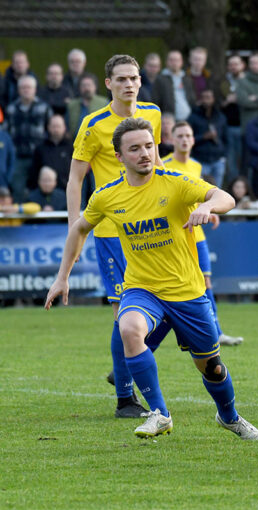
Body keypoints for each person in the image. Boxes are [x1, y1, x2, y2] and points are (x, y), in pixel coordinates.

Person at [46, 117, 258, 440]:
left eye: (149, 146)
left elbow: (225, 197)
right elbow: (79, 228)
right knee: (128, 328)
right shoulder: (108, 196)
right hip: (142, 288)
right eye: (134, 149)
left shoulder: (174, 183)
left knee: (212, 368)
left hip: (186, 291)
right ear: (119, 157)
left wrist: (210, 207)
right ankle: (159, 412)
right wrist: (62, 277)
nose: (145, 153)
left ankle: (230, 417)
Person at [67, 54, 170, 419]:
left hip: (150, 228)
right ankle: (125, 399)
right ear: (108, 84)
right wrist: (73, 227)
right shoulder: (93, 124)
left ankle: (123, 367)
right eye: (122, 79)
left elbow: (155, 165)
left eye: (134, 78)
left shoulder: (152, 115)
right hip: (112, 230)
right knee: (122, 311)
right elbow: (76, 177)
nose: (129, 84)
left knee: (166, 307)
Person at [162, 121, 245, 344]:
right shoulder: (164, 165)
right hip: (176, 236)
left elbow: (200, 196)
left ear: (194, 139)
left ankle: (215, 332)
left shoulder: (196, 166)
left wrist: (209, 210)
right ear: (171, 139)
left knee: (206, 283)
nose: (184, 140)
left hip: (197, 236)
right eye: (179, 136)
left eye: (188, 135)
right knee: (179, 287)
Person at [5, 75, 53, 200]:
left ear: (34, 89)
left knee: (39, 187)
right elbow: (6, 133)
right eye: (23, 87)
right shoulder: (11, 109)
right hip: (17, 157)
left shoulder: (44, 107)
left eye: (29, 87)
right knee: (17, 188)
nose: (26, 90)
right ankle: (20, 218)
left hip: (38, 156)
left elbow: (51, 130)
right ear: (18, 90)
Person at [186, 89, 228, 187]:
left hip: (218, 159)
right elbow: (188, 139)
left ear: (213, 99)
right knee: (201, 189)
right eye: (203, 98)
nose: (206, 100)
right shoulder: (193, 117)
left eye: (208, 98)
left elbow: (226, 138)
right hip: (200, 159)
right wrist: (203, 137)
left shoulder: (220, 117)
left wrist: (224, 156)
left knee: (218, 191)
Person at [220, 54, 246, 181]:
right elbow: (220, 103)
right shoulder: (223, 83)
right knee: (231, 161)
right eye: (231, 64)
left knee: (245, 160)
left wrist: (238, 98)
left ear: (242, 65)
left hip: (246, 126)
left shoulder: (248, 82)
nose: (233, 67)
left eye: (236, 64)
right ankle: (233, 190)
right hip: (229, 126)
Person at [31, 114, 73, 191]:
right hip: (44, 191)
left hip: (67, 190)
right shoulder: (40, 148)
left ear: (64, 128)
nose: (56, 129)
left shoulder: (71, 147)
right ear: (48, 127)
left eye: (58, 126)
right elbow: (34, 172)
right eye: (54, 126)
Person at [152, 50, 196, 121]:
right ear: (166, 62)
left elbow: (192, 99)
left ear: (181, 62)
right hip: (169, 120)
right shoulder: (160, 79)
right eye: (171, 60)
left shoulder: (187, 79)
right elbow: (156, 101)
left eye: (177, 60)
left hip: (189, 119)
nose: (174, 63)